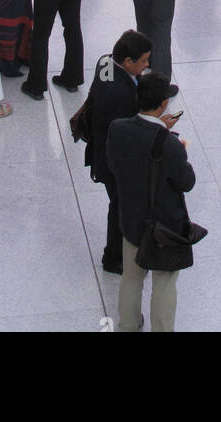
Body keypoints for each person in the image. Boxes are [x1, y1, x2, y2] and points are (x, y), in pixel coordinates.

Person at [106, 69, 196, 332]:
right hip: (164, 227)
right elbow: (186, 183)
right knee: (164, 282)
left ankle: (129, 325)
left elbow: (114, 165)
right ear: (164, 104)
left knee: (131, 278)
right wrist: (179, 150)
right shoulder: (170, 146)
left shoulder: (118, 128)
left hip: (132, 219)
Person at [74, 29, 153, 274]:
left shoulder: (107, 61)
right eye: (144, 60)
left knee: (119, 204)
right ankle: (114, 257)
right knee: (120, 204)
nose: (147, 64)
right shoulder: (121, 96)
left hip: (102, 151)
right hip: (114, 162)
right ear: (128, 62)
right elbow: (126, 134)